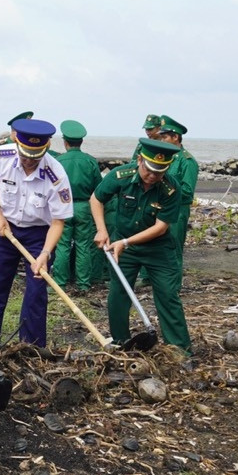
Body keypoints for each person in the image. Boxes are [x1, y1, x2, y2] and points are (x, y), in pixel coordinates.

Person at [0, 119, 72, 348]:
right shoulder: (2, 156)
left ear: (45, 149)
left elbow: (58, 221)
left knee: (36, 290)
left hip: (40, 235)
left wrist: (45, 254)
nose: (28, 161)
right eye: (25, 155)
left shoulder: (56, 175)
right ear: (17, 142)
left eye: (35, 157)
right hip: (6, 230)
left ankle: (31, 348)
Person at [92, 137, 192, 354]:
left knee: (167, 294)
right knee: (118, 293)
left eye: (160, 172)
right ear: (139, 160)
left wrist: (125, 242)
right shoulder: (121, 176)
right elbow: (96, 198)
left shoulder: (171, 189)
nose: (153, 176)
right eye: (150, 170)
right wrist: (102, 229)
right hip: (123, 244)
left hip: (157, 248)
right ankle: (121, 342)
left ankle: (180, 349)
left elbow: (161, 227)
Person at [51, 120, 104, 292]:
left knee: (62, 244)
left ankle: (59, 282)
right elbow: (99, 188)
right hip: (84, 206)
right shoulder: (90, 161)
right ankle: (83, 283)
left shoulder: (58, 161)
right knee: (83, 245)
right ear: (81, 142)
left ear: (65, 142)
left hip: (63, 206)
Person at [156, 116, 197, 263]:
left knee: (173, 248)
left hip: (177, 210)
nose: (162, 140)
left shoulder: (187, 161)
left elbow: (187, 192)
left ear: (175, 137)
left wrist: (165, 190)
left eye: (165, 137)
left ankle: (173, 284)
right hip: (160, 207)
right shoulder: (164, 157)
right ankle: (149, 279)